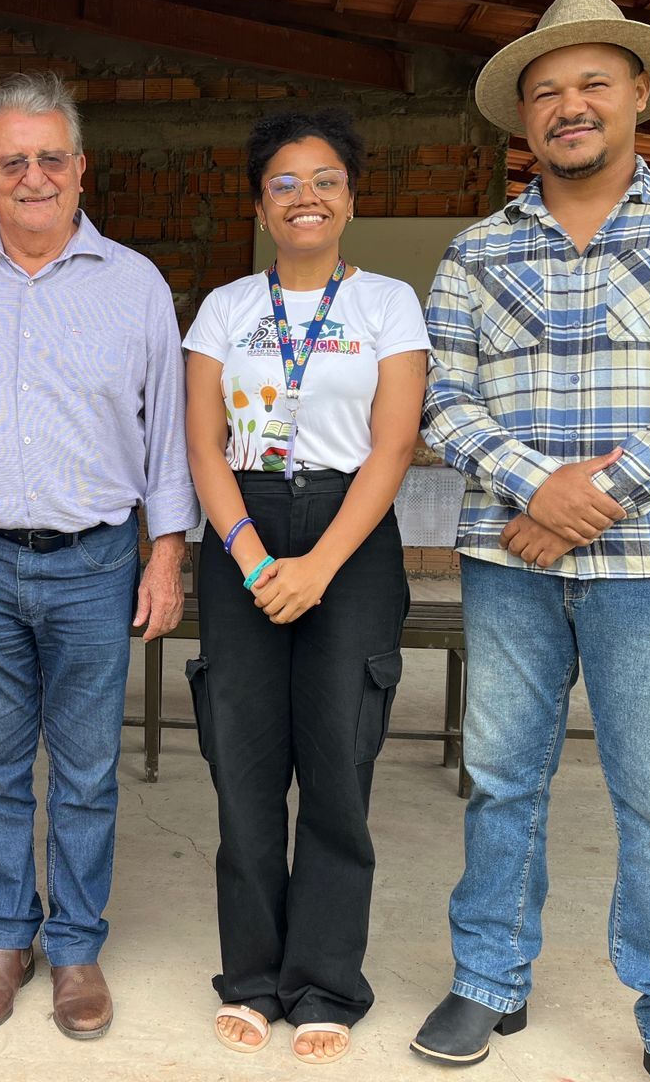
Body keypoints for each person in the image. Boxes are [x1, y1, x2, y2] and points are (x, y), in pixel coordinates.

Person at [412, 0, 650, 1082]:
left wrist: (592, 499)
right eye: (546, 91)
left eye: (591, 85)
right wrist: (538, 488)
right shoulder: (477, 251)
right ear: (524, 117)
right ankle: (488, 979)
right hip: (509, 563)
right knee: (499, 779)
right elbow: (442, 399)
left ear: (637, 97)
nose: (569, 106)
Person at [0, 72, 198, 1040]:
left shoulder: (134, 285)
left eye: (50, 158)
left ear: (81, 168)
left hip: (95, 562)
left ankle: (76, 946)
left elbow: (168, 431)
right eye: (12, 162)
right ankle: (7, 938)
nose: (32, 176)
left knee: (85, 769)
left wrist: (167, 554)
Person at [181, 110, 428, 1065]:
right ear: (260, 207)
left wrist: (319, 566)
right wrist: (251, 560)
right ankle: (250, 976)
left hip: (349, 531)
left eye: (325, 180)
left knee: (337, 761)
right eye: (284, 183)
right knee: (242, 764)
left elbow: (393, 446)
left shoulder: (387, 306)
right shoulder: (225, 308)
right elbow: (204, 446)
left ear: (351, 199)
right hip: (242, 525)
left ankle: (326, 982)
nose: (306, 197)